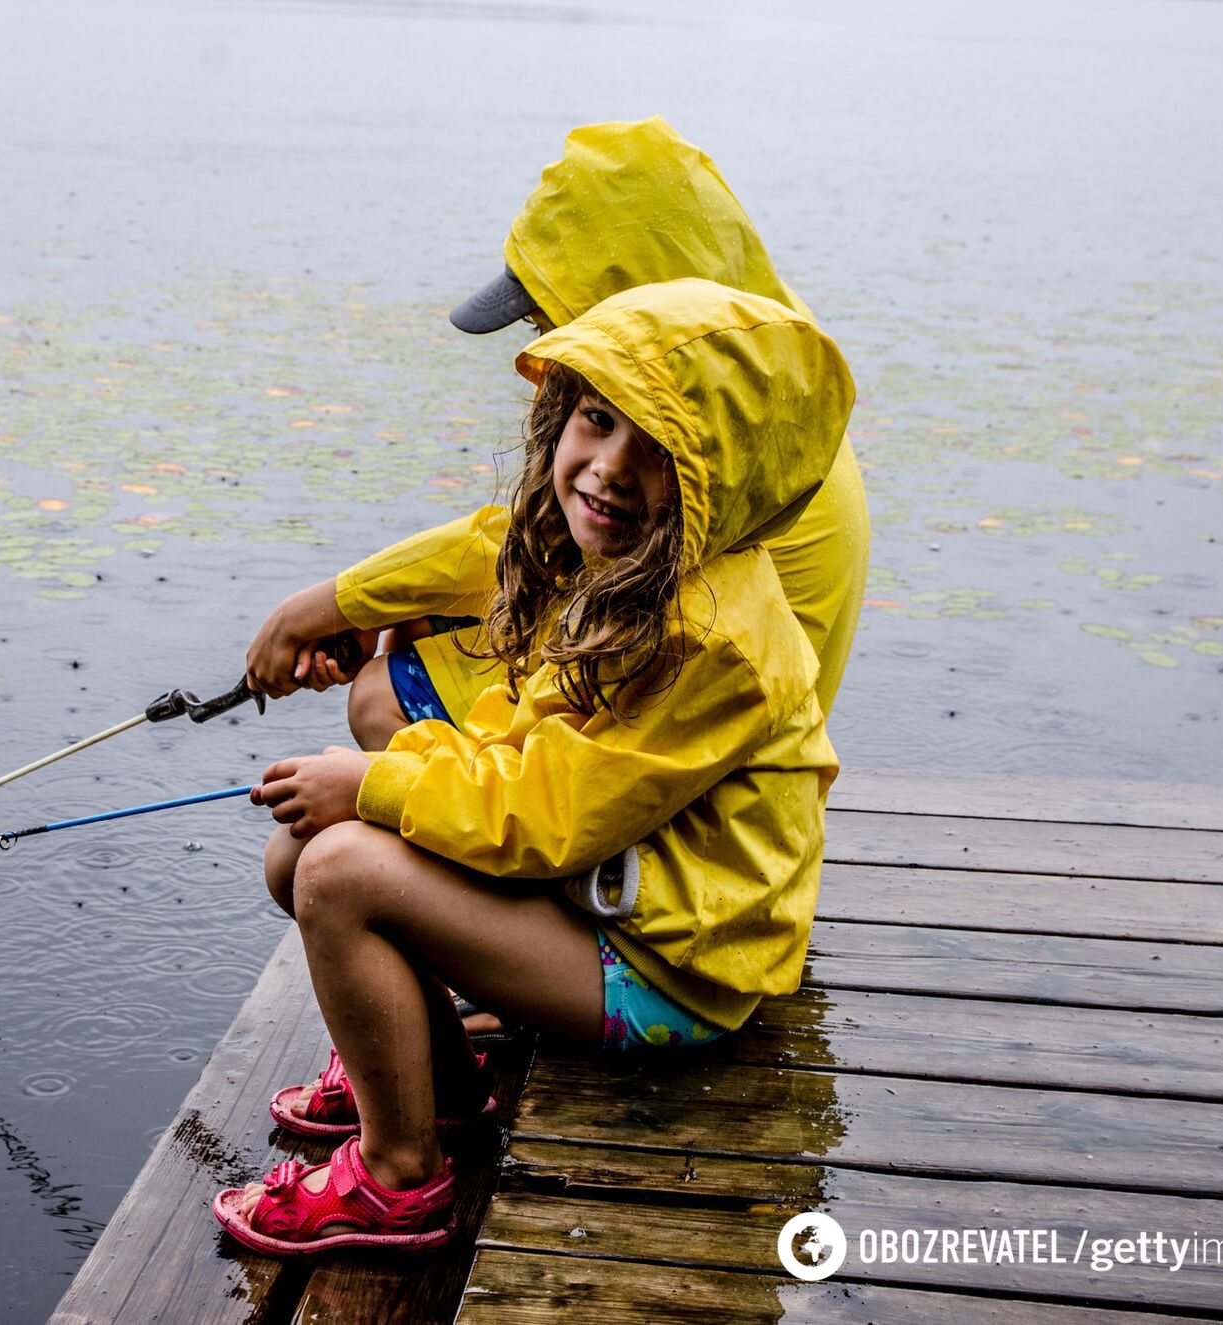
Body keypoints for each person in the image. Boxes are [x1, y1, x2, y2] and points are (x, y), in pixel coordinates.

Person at [211, 277, 853, 1256]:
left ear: (723, 480)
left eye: (659, 449)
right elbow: (523, 737)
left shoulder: (707, 639)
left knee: (338, 871)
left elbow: (543, 818)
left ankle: (395, 1180)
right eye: (597, 419)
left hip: (673, 970)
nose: (606, 468)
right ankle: (430, 1080)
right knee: (296, 854)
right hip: (603, 898)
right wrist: (368, 773)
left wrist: (373, 783)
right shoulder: (623, 564)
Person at [246, 117, 870, 745]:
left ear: (628, 301)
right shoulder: (755, 369)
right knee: (422, 619)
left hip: (674, 726)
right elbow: (535, 551)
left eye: (548, 322)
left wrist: (317, 609)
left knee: (382, 695)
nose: (542, 352)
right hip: (648, 646)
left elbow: (541, 561)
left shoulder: (703, 428)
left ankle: (410, 829)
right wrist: (364, 604)